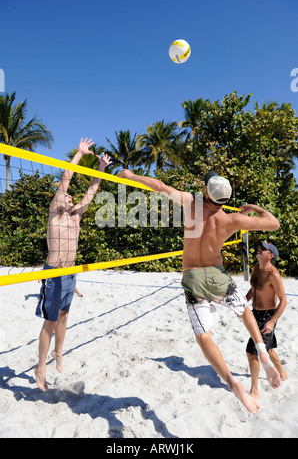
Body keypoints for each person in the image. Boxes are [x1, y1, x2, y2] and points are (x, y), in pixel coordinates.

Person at [118, 168, 281, 415]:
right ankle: (261, 350)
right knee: (244, 309)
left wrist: (131, 176)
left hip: (193, 276)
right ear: (226, 199)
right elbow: (274, 223)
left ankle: (231, 381)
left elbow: (159, 186)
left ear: (207, 192)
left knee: (204, 335)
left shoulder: (191, 203)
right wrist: (254, 208)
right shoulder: (231, 219)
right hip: (217, 274)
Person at [34, 138, 111, 391]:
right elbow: (66, 179)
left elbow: (92, 189)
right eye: (65, 195)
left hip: (71, 273)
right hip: (54, 273)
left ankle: (58, 353)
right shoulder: (55, 214)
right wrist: (79, 154)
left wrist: (100, 167)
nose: (68, 196)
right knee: (50, 322)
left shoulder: (76, 216)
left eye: (70, 197)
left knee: (65, 317)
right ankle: (40, 366)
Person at [246, 241, 288, 399]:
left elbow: (283, 301)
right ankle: (283, 373)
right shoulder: (256, 268)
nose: (259, 249)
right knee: (268, 349)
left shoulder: (273, 274)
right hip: (254, 313)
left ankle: (255, 390)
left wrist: (271, 322)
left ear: (270, 255)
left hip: (268, 316)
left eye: (263, 249)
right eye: (260, 247)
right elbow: (254, 288)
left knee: (252, 352)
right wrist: (243, 303)